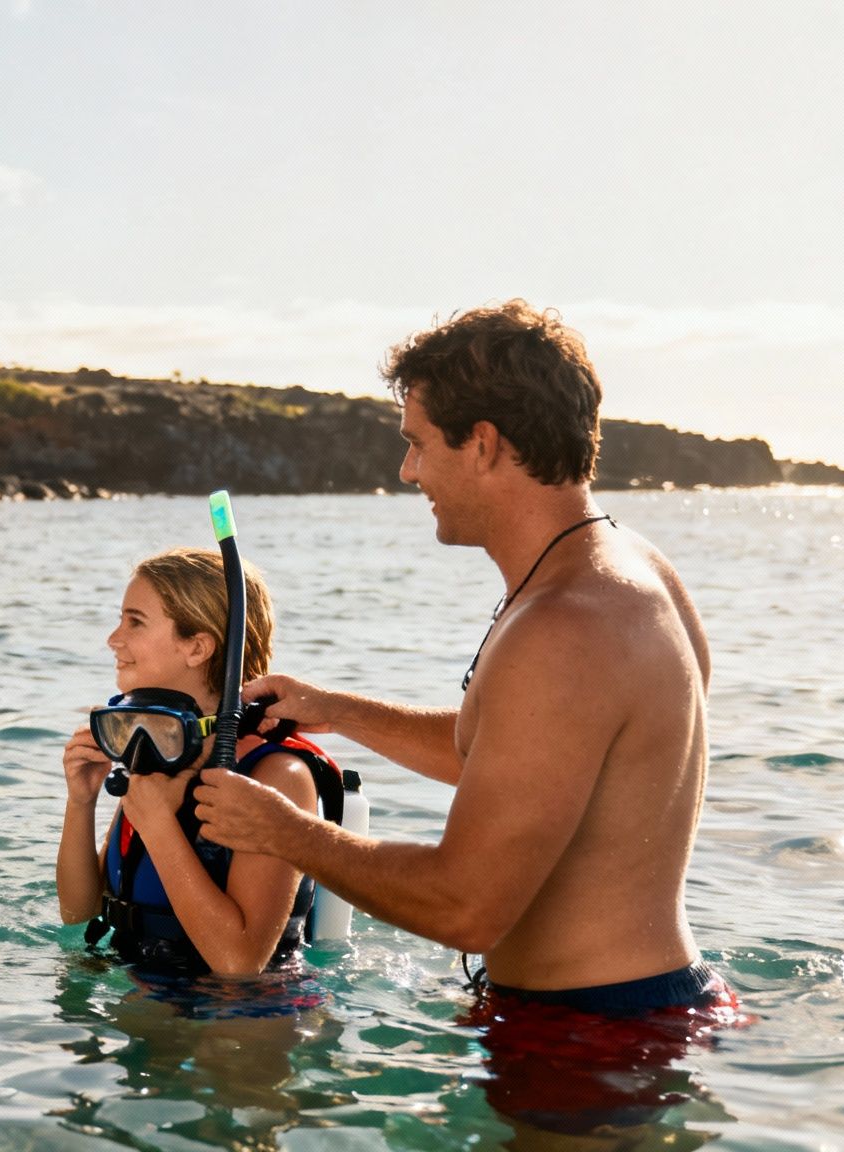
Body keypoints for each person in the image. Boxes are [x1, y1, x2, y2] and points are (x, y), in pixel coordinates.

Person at [193, 300, 737, 1019]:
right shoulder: (630, 571)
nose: (408, 469)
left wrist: (287, 834)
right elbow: (528, 760)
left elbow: (466, 906)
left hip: (600, 1038)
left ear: (481, 443)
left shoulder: (564, 627)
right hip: (631, 1009)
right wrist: (340, 711)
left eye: (418, 444)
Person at [56, 548, 338, 977]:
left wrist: (157, 824)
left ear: (197, 647)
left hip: (237, 1028)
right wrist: (81, 802)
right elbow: (79, 912)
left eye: (135, 621)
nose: (114, 639)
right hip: (147, 999)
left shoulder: (277, 776)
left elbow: (240, 963)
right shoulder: (158, 750)